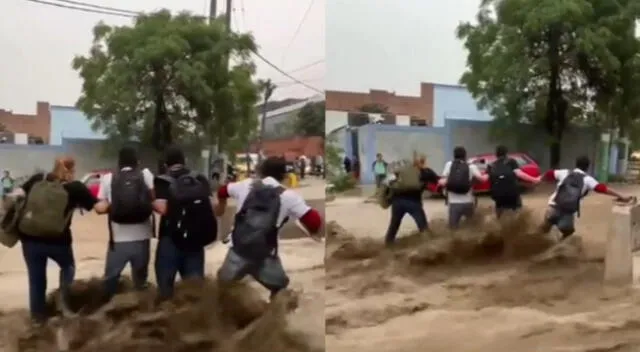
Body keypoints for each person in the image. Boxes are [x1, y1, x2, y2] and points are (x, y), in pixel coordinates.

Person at [215, 156, 322, 298]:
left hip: (238, 251)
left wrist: (221, 207)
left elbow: (222, 191)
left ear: (261, 171)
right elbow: (314, 220)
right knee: (281, 291)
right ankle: (272, 317)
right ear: (284, 176)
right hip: (265, 256)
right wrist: (313, 232)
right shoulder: (288, 196)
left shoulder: (245, 185)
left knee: (221, 290)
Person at [17, 157, 98, 323]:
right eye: (73, 171)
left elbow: (17, 195)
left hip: (30, 240)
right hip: (58, 242)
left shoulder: (38, 179)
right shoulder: (75, 188)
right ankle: (63, 302)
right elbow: (99, 207)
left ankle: (37, 319)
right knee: (68, 267)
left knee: (36, 280)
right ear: (70, 171)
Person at [153, 146, 217, 299]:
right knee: (194, 289)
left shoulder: (162, 180)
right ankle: (194, 318)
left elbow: (162, 209)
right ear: (184, 161)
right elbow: (212, 205)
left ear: (166, 164)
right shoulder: (199, 178)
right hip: (195, 240)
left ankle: (166, 316)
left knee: (165, 286)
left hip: (170, 239)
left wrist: (150, 201)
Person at [95, 147, 155, 301]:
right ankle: (139, 312)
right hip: (142, 238)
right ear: (137, 161)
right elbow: (154, 199)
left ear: (119, 161)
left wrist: (112, 206)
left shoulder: (108, 178)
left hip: (118, 240)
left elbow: (100, 208)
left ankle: (110, 311)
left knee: (111, 280)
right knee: (140, 282)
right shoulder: (145, 175)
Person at [539, 155, 632, 239]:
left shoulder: (565, 172)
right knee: (568, 233)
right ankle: (557, 251)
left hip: (553, 206)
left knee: (543, 230)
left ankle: (534, 243)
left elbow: (549, 173)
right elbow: (602, 189)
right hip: (567, 212)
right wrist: (622, 196)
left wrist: (537, 179)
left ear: (576, 164)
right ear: (587, 167)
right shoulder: (588, 179)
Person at [384, 155, 439, 246]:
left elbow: (388, 183)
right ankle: (430, 248)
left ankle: (387, 246)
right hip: (414, 203)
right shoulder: (423, 172)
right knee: (423, 226)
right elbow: (435, 180)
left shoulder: (400, 172)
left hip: (397, 203)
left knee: (393, 226)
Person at [439, 147, 489, 228]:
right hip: (468, 202)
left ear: (454, 155)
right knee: (471, 227)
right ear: (465, 155)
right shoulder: (471, 166)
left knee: (453, 228)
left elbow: (442, 182)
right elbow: (483, 179)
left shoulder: (449, 165)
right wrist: (488, 173)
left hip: (453, 203)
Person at [487, 145, 541, 216]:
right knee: (517, 213)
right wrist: (535, 180)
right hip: (512, 193)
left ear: (496, 154)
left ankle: (500, 222)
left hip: (497, 195)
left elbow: (484, 178)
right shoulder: (511, 161)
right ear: (506, 153)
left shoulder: (491, 165)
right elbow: (519, 174)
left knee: (500, 213)